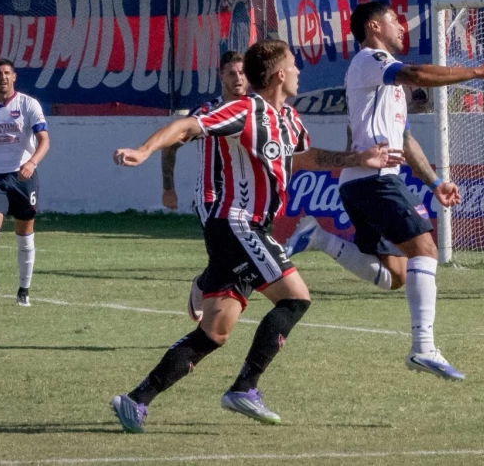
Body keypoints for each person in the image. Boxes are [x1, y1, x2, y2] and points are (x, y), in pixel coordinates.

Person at [108, 39, 403, 431]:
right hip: (236, 222)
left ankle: (135, 401)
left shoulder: (289, 119)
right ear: (280, 74)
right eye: (293, 65)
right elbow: (186, 126)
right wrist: (144, 150)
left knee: (214, 333)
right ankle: (245, 387)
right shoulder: (245, 110)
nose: (298, 72)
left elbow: (305, 157)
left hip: (250, 227)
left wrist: (357, 158)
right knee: (296, 298)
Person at [285, 0, 484, 382]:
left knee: (395, 274)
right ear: (374, 27)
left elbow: (404, 141)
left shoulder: (388, 83)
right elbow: (418, 73)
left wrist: (435, 183)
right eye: (394, 20)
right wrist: (476, 71)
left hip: (362, 182)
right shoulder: (371, 59)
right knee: (426, 250)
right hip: (374, 180)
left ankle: (319, 237)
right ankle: (423, 349)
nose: (402, 27)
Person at [0, 59, 50, 308]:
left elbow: (44, 140)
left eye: (7, 73)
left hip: (24, 178)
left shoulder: (28, 104)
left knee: (24, 237)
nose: (3, 77)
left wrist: (32, 163)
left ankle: (23, 291)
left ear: (14, 77)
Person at [160, 51, 248, 212]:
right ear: (221, 76)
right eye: (232, 73)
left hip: (248, 197)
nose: (238, 78)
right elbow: (169, 147)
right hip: (212, 197)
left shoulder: (257, 109)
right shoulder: (205, 112)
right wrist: (168, 188)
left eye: (242, 73)